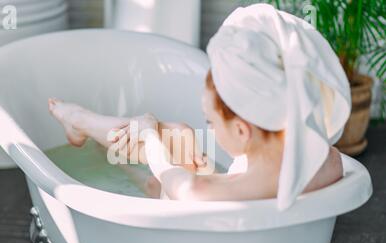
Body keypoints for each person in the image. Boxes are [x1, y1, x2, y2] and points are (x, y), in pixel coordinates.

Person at [49, 4, 351, 210]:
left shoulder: (203, 192)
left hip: (198, 232)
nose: (209, 129)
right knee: (178, 139)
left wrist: (150, 134)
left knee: (162, 158)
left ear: (243, 129)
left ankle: (82, 122)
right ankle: (88, 127)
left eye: (210, 122)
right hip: (219, 192)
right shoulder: (325, 161)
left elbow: (178, 183)